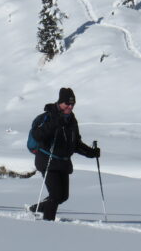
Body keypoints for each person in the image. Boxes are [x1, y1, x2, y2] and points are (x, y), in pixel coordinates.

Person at [28, 88, 100, 221]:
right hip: (47, 160)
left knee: (63, 196)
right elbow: (37, 135)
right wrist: (54, 124)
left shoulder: (71, 120)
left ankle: (36, 209)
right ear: (60, 102)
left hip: (63, 162)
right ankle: (48, 224)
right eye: (67, 103)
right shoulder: (47, 116)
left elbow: (75, 143)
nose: (70, 106)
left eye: (73, 104)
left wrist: (91, 152)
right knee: (55, 195)